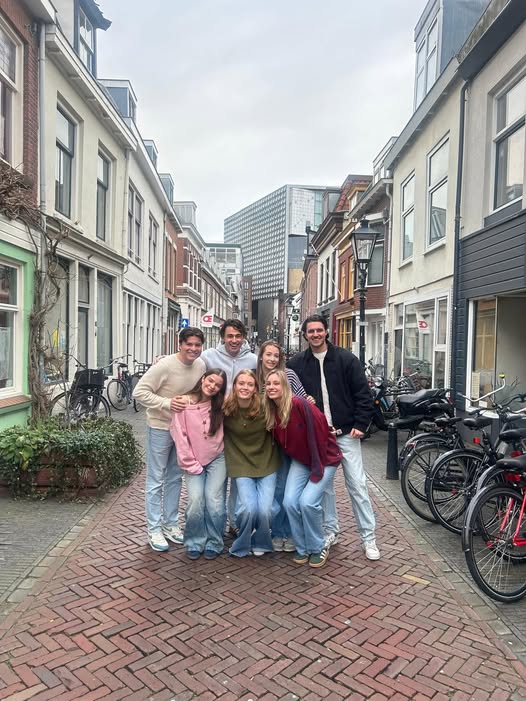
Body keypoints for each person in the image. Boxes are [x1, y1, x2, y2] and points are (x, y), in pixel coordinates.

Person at [287, 314, 380, 560]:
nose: (315, 335)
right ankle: (331, 531)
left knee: (357, 484)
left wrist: (361, 423)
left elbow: (363, 394)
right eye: (310, 331)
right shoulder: (297, 364)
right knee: (325, 488)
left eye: (319, 330)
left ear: (327, 331)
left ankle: (368, 538)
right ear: (304, 335)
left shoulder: (346, 359)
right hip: (318, 437)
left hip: (346, 433)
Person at [133, 327, 206, 552]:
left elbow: (199, 392)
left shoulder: (201, 366)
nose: (193, 348)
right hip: (161, 427)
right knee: (155, 478)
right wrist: (167, 403)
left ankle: (170, 524)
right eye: (189, 344)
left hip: (182, 431)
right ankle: (154, 528)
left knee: (175, 477)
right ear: (180, 344)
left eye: (197, 345)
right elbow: (139, 392)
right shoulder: (164, 365)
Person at [264, 370, 342, 568]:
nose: (271, 387)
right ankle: (302, 547)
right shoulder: (271, 411)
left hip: (324, 458)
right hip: (302, 461)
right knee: (290, 502)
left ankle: (317, 546)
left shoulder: (299, 404)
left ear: (285, 386)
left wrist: (316, 469)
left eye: (276, 383)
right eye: (268, 384)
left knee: (308, 502)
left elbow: (320, 434)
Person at [201, 319, 258, 535]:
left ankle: (234, 522)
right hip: (215, 423)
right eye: (230, 336)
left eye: (238, 336)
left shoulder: (253, 360)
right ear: (223, 337)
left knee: (237, 475)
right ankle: (215, 521)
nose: (234, 340)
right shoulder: (208, 357)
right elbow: (188, 365)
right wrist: (163, 360)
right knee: (217, 477)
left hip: (240, 426)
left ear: (243, 337)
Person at [256, 340, 312, 553]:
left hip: (290, 440)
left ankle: (286, 533)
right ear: (261, 356)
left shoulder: (289, 375)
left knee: (287, 489)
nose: (272, 359)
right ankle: (277, 531)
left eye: (276, 355)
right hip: (267, 442)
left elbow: (303, 402)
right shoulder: (255, 379)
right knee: (276, 491)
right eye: (268, 354)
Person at [170, 369, 228, 560]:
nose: (212, 386)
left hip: (217, 458)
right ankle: (194, 540)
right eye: (210, 381)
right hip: (192, 460)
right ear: (203, 379)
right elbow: (179, 435)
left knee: (214, 500)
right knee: (195, 500)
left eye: (218, 385)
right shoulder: (184, 403)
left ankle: (215, 541)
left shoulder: (221, 404)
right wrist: (190, 463)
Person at [223, 369, 281, 557]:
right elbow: (204, 406)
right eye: (241, 383)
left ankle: (262, 542)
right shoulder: (226, 408)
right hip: (241, 463)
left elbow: (285, 404)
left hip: (266, 461)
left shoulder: (265, 406)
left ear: (256, 388)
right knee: (247, 509)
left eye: (250, 384)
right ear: (234, 386)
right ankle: (242, 543)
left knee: (265, 510)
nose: (245, 388)